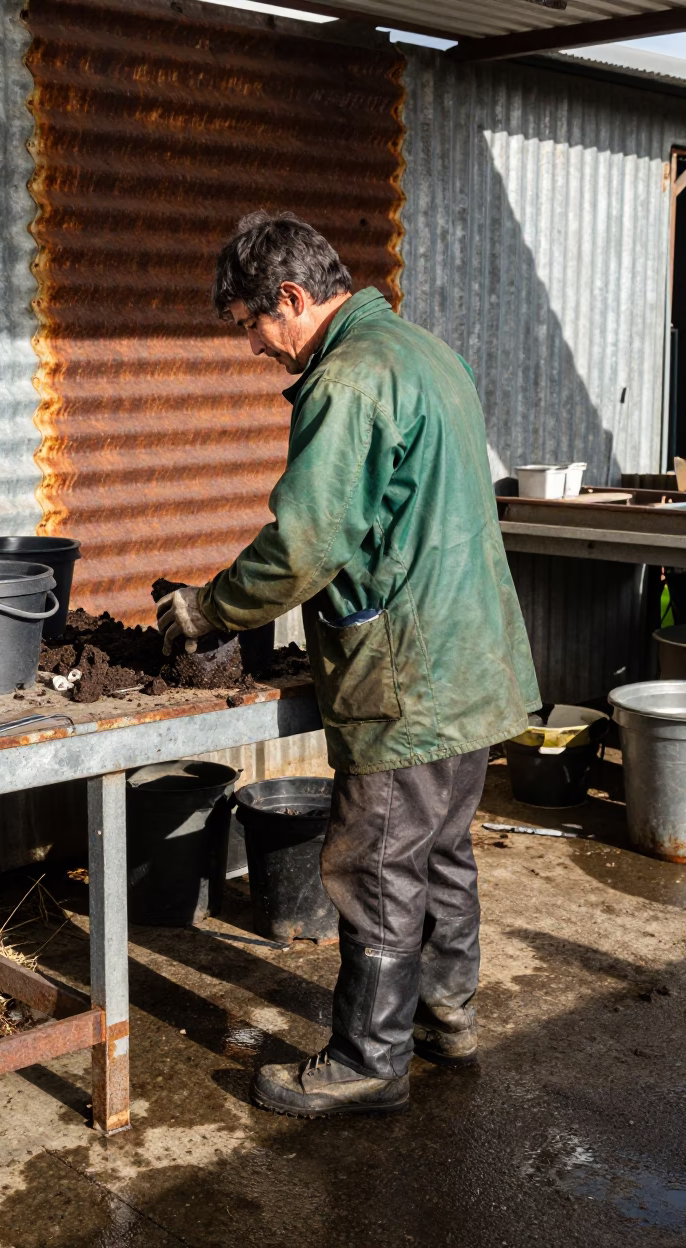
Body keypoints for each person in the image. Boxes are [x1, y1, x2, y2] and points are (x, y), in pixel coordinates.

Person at [156, 211, 540, 1118]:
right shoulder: (423, 351)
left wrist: (207, 608)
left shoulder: (350, 378)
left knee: (373, 866)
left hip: (407, 676)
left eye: (254, 325)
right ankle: (448, 1019)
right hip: (471, 658)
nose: (256, 348)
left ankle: (370, 1060)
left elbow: (305, 544)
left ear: (291, 300)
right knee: (440, 854)